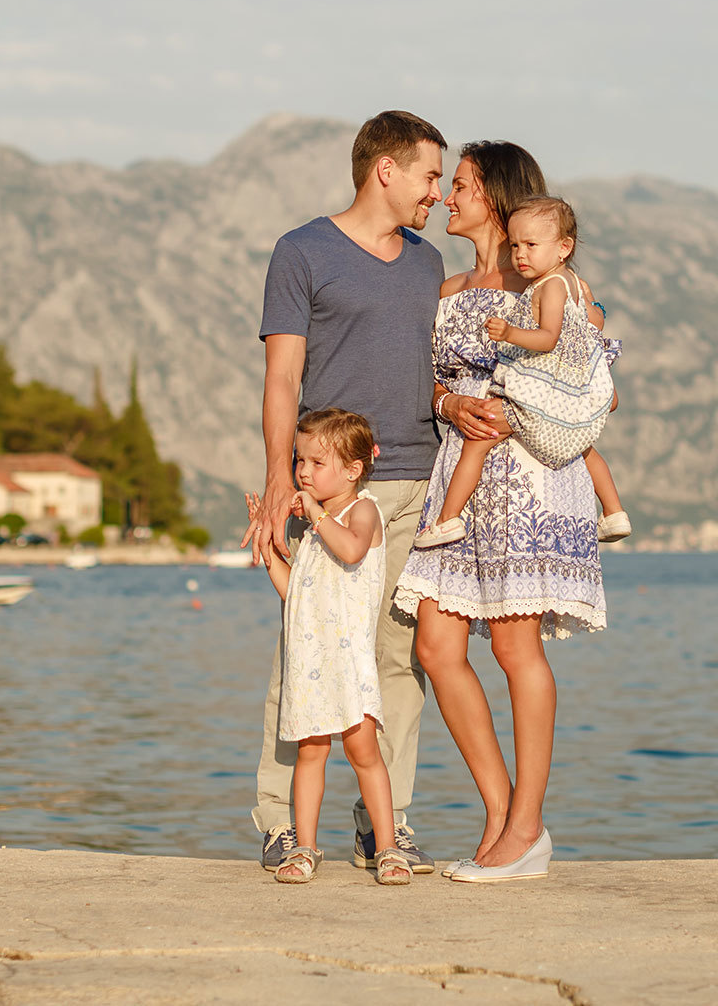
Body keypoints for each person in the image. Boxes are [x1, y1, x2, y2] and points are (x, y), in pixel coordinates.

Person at [393, 143, 614, 884]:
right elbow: (427, 385)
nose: (448, 197)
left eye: (458, 185)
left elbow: (600, 388)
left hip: (524, 473)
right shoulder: (448, 283)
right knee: (436, 644)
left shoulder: (549, 287)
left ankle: (526, 826)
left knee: (516, 650)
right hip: (457, 468)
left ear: (492, 192)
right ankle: (502, 814)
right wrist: (451, 401)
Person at [241, 110, 448, 876]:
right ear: (384, 170)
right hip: (322, 493)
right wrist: (277, 484)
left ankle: (384, 825)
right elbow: (283, 377)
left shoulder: (428, 264)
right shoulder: (302, 252)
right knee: (304, 647)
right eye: (430, 175)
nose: (438, 193)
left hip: (415, 488)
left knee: (399, 660)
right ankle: (279, 823)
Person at [250, 409, 412, 885]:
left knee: (365, 754)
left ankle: (386, 847)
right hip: (310, 665)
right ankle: (304, 846)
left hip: (349, 664)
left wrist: (316, 514)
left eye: (316, 463)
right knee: (310, 755)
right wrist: (270, 547)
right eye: (300, 460)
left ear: (353, 469)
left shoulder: (359, 512)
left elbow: (353, 550)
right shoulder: (315, 533)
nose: (302, 472)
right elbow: (294, 592)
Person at [413, 194, 628, 549]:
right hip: (564, 401)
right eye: (515, 246)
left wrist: (510, 333)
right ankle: (614, 510)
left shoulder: (551, 286)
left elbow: (548, 337)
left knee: (477, 446)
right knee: (587, 449)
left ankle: (448, 518)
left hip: (532, 401)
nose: (520, 254)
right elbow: (589, 332)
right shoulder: (574, 285)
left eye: (529, 245)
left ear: (563, 247)